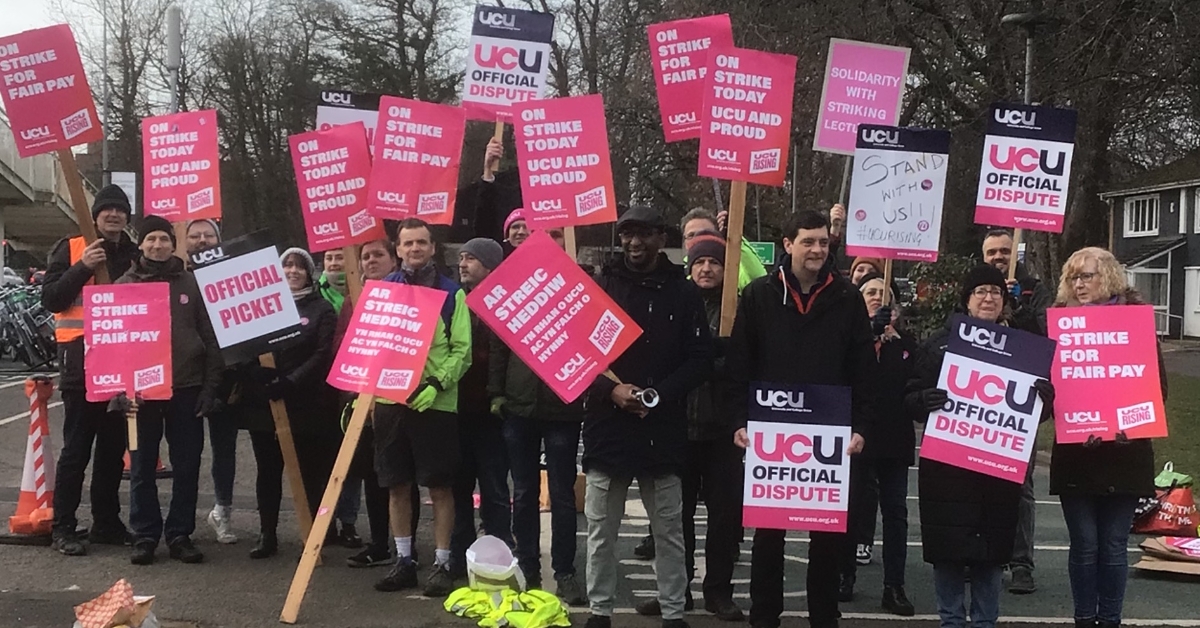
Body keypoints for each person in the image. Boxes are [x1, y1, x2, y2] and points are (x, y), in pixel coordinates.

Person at [727, 209, 872, 628]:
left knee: (827, 539)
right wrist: (739, 419)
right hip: (771, 435)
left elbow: (864, 369)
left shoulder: (847, 298)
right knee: (768, 538)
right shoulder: (758, 295)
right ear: (788, 244)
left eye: (824, 242)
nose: (817, 249)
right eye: (808, 241)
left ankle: (824, 619)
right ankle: (764, 618)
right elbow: (739, 364)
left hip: (831, 436)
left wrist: (862, 427)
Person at [583, 205, 712, 628]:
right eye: (626, 234)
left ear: (662, 238)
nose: (634, 242)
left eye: (643, 234)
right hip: (608, 427)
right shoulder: (600, 288)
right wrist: (613, 390)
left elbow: (699, 359)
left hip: (663, 430)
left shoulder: (685, 292)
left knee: (669, 532)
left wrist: (659, 395)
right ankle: (599, 611)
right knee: (602, 533)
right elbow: (578, 358)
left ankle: (674, 613)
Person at [905, 265, 1054, 628]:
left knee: (991, 552)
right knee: (948, 552)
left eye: (996, 292)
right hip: (948, 469)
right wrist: (923, 398)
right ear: (967, 299)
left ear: (1005, 301)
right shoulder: (941, 342)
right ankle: (951, 621)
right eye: (981, 292)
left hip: (997, 466)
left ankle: (986, 622)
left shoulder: (1023, 346)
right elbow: (907, 394)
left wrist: (1045, 400)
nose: (988, 298)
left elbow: (1036, 414)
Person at [1050, 247, 1165, 628]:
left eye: (1087, 276)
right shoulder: (1061, 325)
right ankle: (1085, 618)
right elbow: (1050, 392)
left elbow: (1156, 390)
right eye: (1074, 278)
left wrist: (1128, 425)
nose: (1079, 284)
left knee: (1114, 546)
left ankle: (1110, 619)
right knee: (1084, 546)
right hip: (1077, 453)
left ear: (1110, 278)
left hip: (1125, 454)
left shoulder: (1137, 324)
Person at [373, 218, 472, 597]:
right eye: (408, 243)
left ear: (433, 248)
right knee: (396, 485)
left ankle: (443, 563)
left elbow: (462, 352)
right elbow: (368, 349)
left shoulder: (451, 294)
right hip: (390, 401)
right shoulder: (381, 292)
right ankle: (403, 561)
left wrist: (436, 383)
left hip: (436, 403)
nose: (414, 249)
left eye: (421, 243)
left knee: (440, 486)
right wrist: (359, 396)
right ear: (397, 249)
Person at [489, 234, 589, 605]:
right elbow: (499, 343)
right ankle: (527, 566)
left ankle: (565, 572)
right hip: (518, 405)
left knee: (563, 495)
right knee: (525, 492)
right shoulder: (513, 288)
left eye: (556, 237)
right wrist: (496, 392)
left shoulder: (578, 287)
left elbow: (590, 341)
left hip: (563, 407)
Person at [119, 216, 223, 565]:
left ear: (172, 244)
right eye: (151, 239)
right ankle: (144, 534)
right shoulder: (124, 285)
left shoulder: (191, 285)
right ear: (141, 244)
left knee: (187, 465)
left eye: (164, 238)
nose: (158, 245)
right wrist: (120, 391)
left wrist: (210, 388)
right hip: (142, 394)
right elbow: (111, 344)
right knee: (142, 467)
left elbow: (211, 338)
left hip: (187, 388)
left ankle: (180, 533)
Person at [43, 184, 139, 556]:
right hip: (80, 365)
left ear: (127, 216)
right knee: (77, 449)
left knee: (113, 450)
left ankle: (107, 522)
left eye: (120, 210)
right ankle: (63, 525)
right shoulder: (71, 248)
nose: (114, 215)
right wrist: (83, 267)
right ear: (96, 215)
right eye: (107, 210)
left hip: (121, 364)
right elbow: (52, 298)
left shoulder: (134, 255)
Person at [663, 230, 744, 621]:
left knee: (724, 517)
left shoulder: (739, 309)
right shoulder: (676, 305)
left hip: (724, 429)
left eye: (714, 262)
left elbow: (748, 362)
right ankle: (678, 592)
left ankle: (718, 591)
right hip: (679, 426)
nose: (707, 269)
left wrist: (726, 361)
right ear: (689, 268)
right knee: (675, 519)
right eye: (700, 262)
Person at [237, 248, 339, 559]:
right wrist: (255, 371)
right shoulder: (261, 308)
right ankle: (267, 534)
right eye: (286, 265)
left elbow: (322, 354)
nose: (292, 271)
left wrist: (291, 380)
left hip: (306, 404)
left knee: (312, 472)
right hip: (265, 403)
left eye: (299, 266)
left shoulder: (322, 310)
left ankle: (315, 535)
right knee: (268, 471)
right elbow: (243, 344)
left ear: (310, 272)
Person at [336, 239, 422, 569]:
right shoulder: (353, 300)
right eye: (365, 256)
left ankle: (407, 546)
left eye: (378, 255)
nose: (371, 261)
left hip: (399, 399)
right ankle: (378, 542)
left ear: (393, 258)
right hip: (362, 402)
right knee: (375, 475)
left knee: (403, 476)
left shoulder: (408, 296)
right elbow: (342, 348)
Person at [837, 272, 918, 616]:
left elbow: (913, 385)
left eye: (882, 293)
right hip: (857, 437)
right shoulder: (849, 339)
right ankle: (844, 575)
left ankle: (894, 585)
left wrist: (893, 342)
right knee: (851, 510)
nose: (875, 298)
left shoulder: (908, 345)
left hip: (895, 440)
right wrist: (869, 334)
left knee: (896, 514)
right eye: (868, 292)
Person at [981, 228, 1052, 594]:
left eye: (1004, 251)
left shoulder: (1034, 291)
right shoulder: (974, 289)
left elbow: (1047, 334)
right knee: (976, 482)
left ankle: (1021, 562)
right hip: (978, 403)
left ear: (1016, 253)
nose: (998, 257)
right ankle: (977, 555)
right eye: (992, 251)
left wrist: (1018, 307)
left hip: (1019, 404)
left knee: (1021, 485)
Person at [450, 238, 513, 575]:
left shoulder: (503, 303)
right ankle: (459, 553)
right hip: (457, 410)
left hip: (490, 412)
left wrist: (496, 392)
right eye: (461, 257)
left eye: (471, 258)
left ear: (490, 266)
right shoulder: (454, 301)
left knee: (494, 488)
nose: (462, 264)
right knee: (459, 486)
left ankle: (500, 551)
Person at [182, 219, 240, 546]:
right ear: (186, 241)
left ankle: (223, 510)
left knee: (224, 449)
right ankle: (181, 520)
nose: (202, 240)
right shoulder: (177, 276)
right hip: (187, 377)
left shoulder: (233, 277)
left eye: (209, 235)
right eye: (195, 235)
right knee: (187, 452)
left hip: (225, 377)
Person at [680, 208, 766, 293]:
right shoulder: (678, 283)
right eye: (691, 235)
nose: (699, 240)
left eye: (706, 233)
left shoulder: (734, 272)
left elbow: (759, 281)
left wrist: (734, 236)